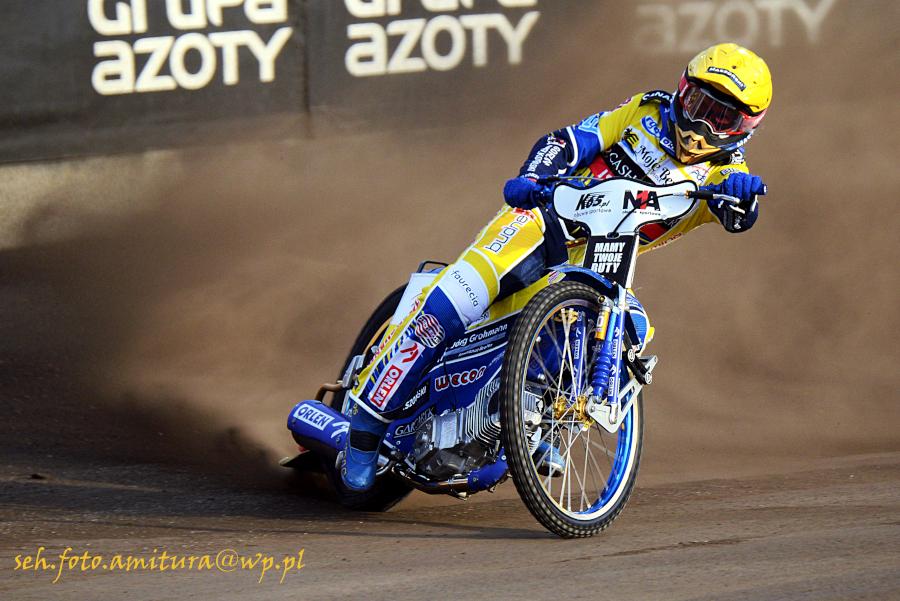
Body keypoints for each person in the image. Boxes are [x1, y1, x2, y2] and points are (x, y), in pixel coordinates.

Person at [340, 42, 772, 491]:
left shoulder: (726, 176)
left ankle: (536, 420)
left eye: (721, 118)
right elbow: (568, 142)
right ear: (682, 90)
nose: (702, 124)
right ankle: (365, 429)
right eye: (699, 104)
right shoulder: (645, 111)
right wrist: (532, 177)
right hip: (541, 222)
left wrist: (743, 199)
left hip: (596, 263)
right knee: (457, 301)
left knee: (630, 328)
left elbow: (741, 214)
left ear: (745, 130)